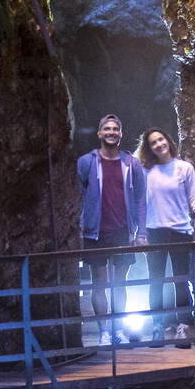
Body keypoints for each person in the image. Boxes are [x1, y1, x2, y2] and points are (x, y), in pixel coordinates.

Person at [136, 129, 195, 341]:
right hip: (155, 231)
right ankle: (157, 327)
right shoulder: (146, 171)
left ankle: (184, 327)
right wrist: (139, 231)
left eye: (161, 139)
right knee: (156, 282)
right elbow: (139, 202)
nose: (159, 144)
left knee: (181, 281)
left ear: (168, 140)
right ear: (149, 148)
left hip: (180, 231)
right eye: (153, 143)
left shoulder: (184, 168)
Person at [75, 114, 144, 342]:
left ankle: (118, 330)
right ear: (99, 133)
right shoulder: (87, 162)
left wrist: (140, 232)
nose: (111, 132)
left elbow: (140, 199)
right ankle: (104, 331)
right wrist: (80, 226)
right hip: (96, 232)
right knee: (99, 282)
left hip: (122, 230)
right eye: (107, 129)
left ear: (121, 134)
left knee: (120, 283)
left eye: (115, 129)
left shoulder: (131, 163)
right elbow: (78, 195)